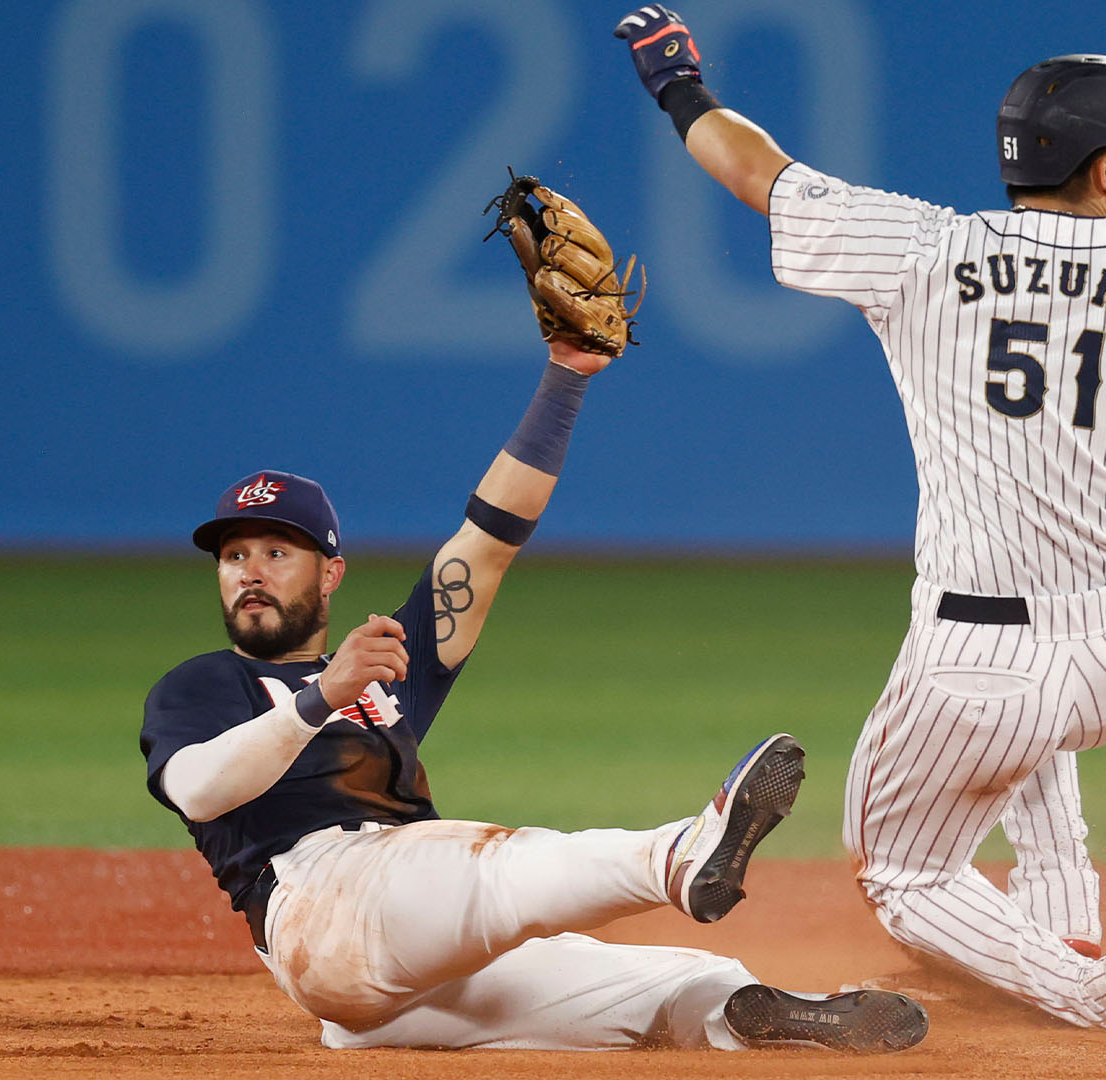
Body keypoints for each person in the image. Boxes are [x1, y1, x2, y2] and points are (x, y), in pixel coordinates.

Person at [614, 6, 1106, 1030]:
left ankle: (1099, 994)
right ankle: (1061, 927)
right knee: (1035, 748)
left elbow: (762, 175)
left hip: (979, 665)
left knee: (901, 871)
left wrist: (678, 85)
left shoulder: (923, 249)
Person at [138, 331, 929, 1052]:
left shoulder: (382, 664)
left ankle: (756, 1016)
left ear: (331, 573)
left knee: (682, 980)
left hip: (398, 974)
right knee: (491, 867)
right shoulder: (205, 684)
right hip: (321, 911)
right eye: (234, 554)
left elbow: (486, 542)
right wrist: (320, 697)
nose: (250, 569)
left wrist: (568, 376)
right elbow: (201, 791)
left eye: (278, 551)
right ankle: (681, 856)